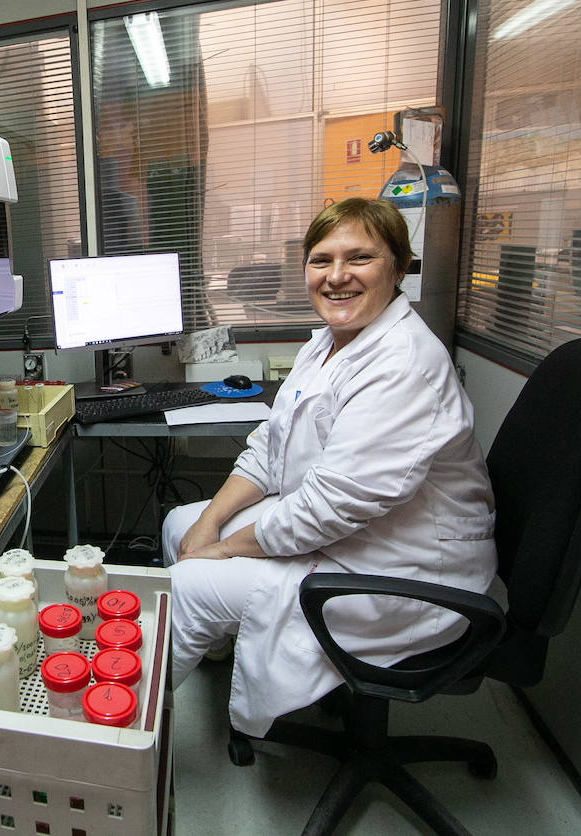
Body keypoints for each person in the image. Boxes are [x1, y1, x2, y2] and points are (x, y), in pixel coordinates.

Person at [164, 196, 496, 737]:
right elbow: (269, 446)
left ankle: (122, 744)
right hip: (362, 536)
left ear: (399, 267)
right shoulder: (326, 343)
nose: (336, 276)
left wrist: (222, 548)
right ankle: (220, 645)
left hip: (407, 576)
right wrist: (208, 524)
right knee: (181, 523)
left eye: (359, 258)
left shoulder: (403, 364)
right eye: (321, 260)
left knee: (188, 584)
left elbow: (325, 511)